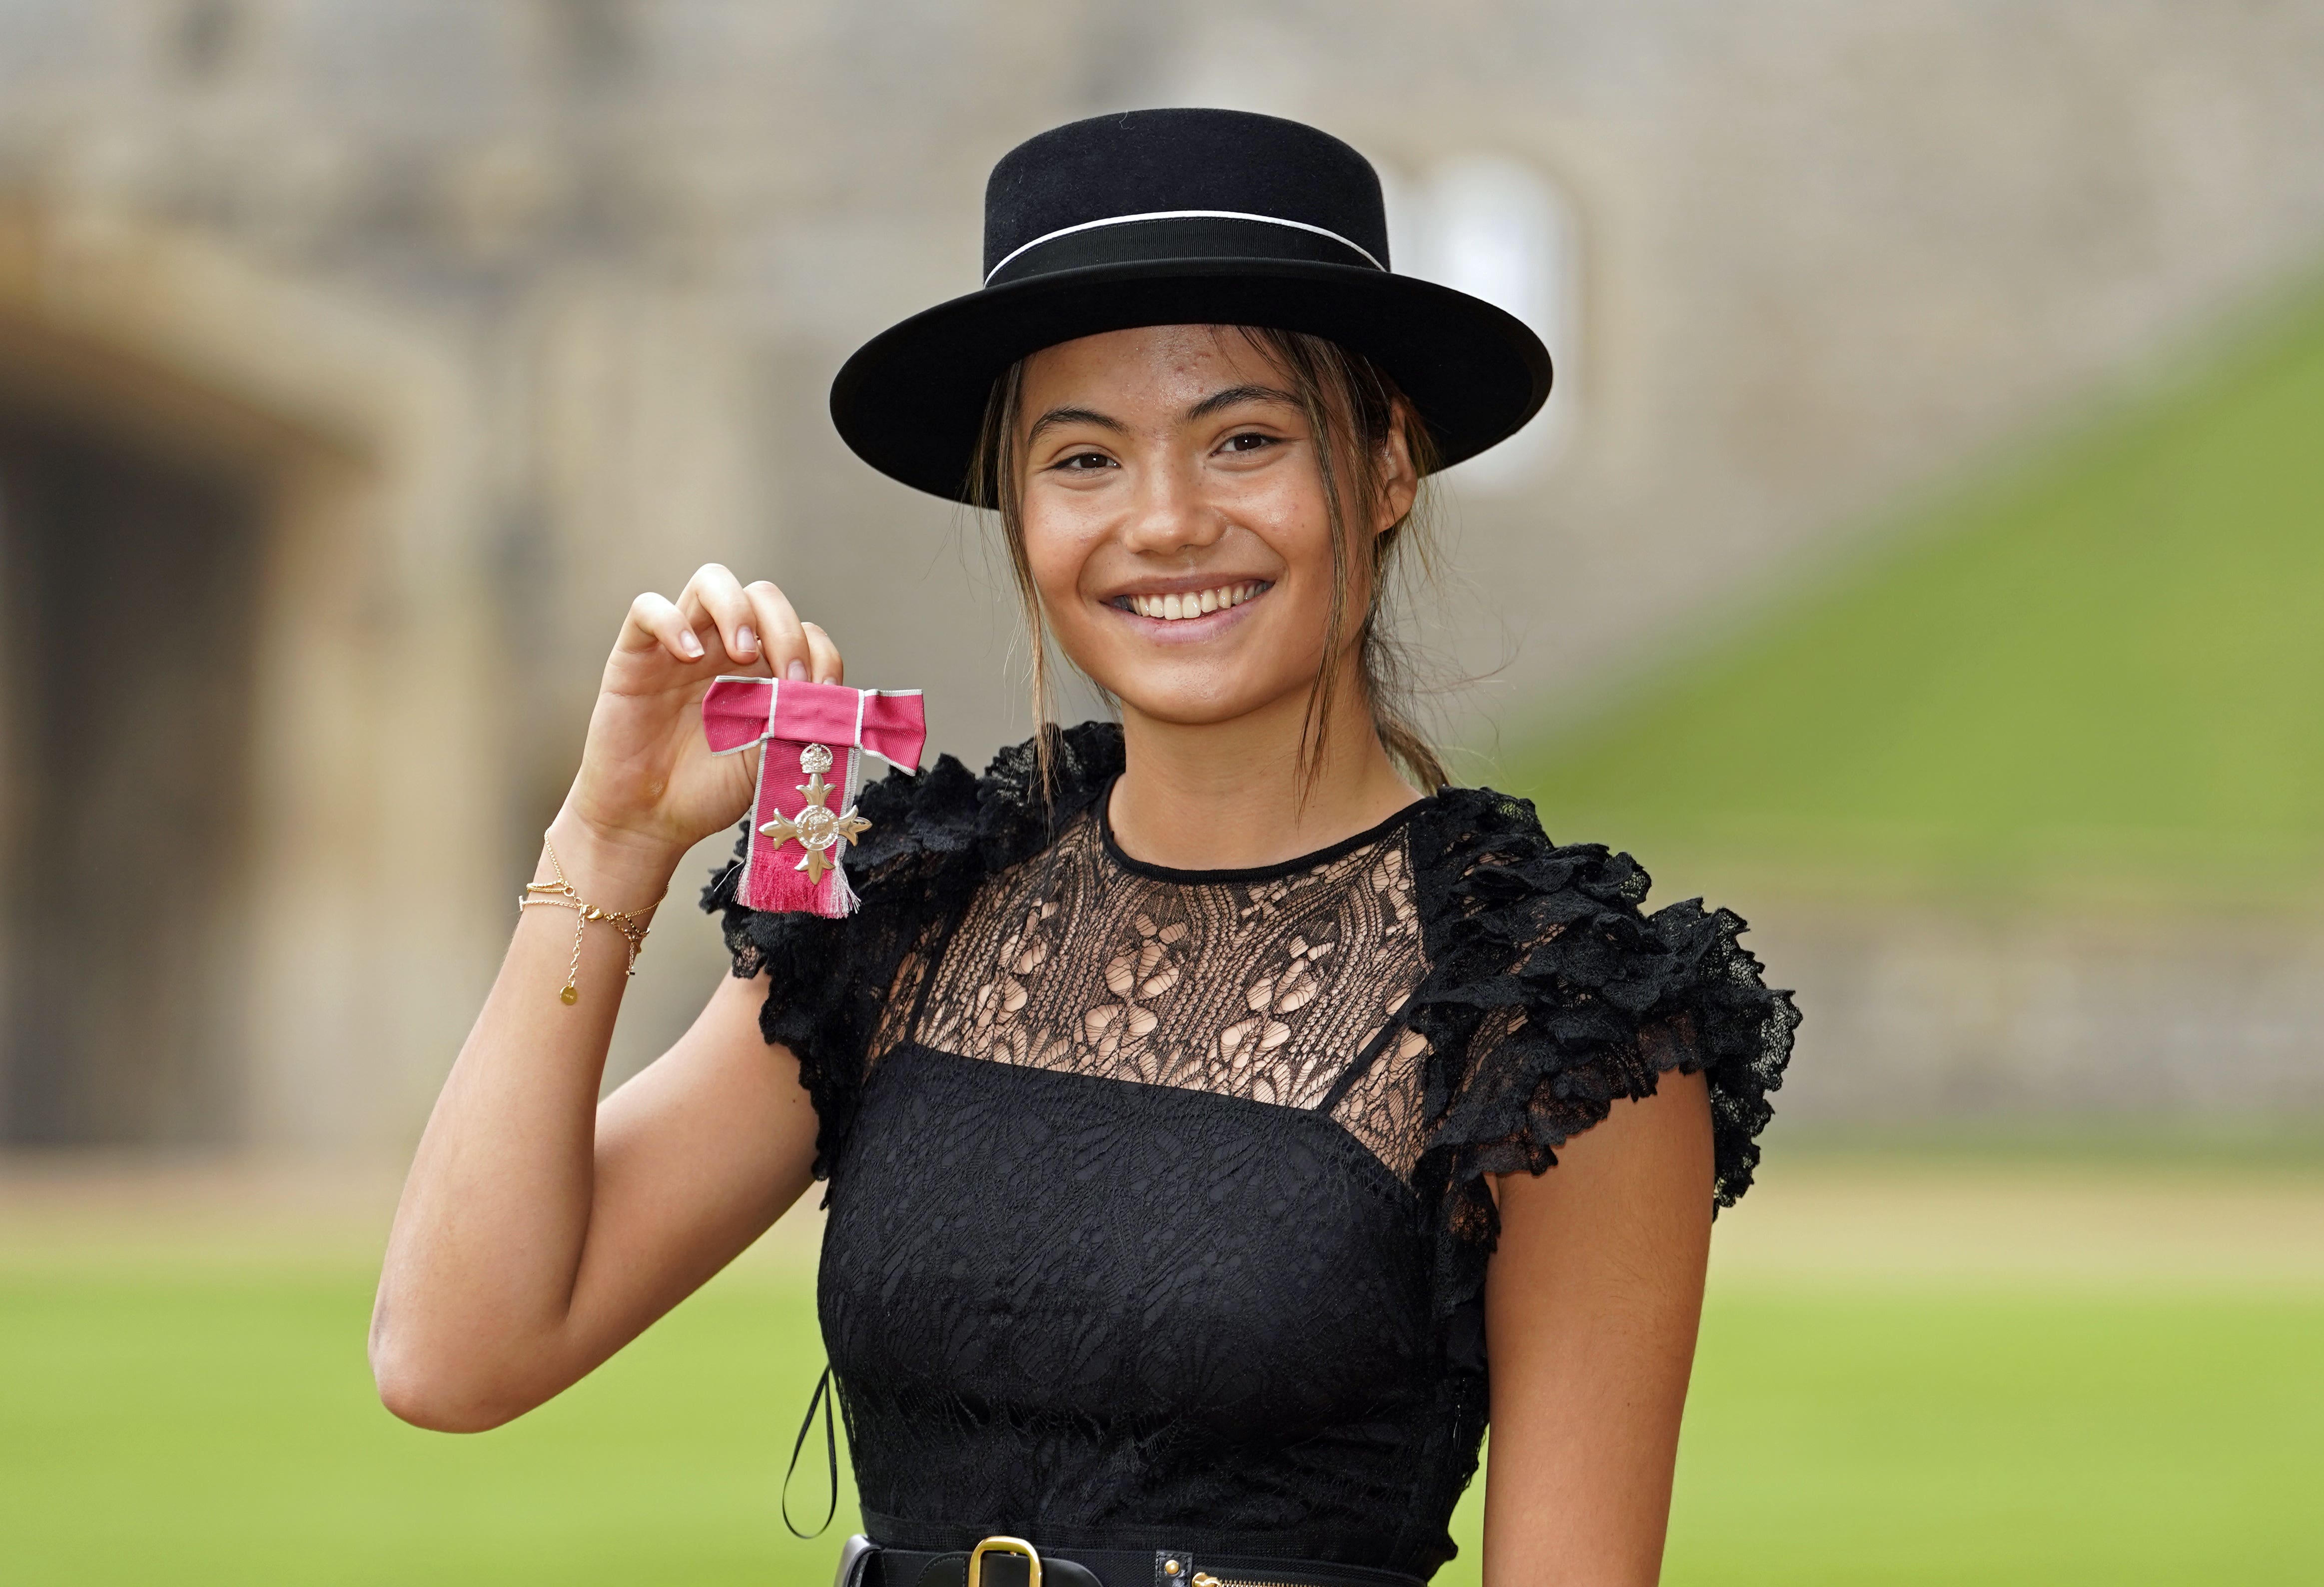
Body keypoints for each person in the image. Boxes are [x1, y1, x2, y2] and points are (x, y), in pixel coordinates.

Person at [372, 108, 1796, 1587]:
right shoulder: (916, 904)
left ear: (1381, 471)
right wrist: (610, 836)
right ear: (1020, 511)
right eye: (1083, 458)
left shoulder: (1550, 1006)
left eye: (1243, 440)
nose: (1165, 522)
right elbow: (456, 1350)